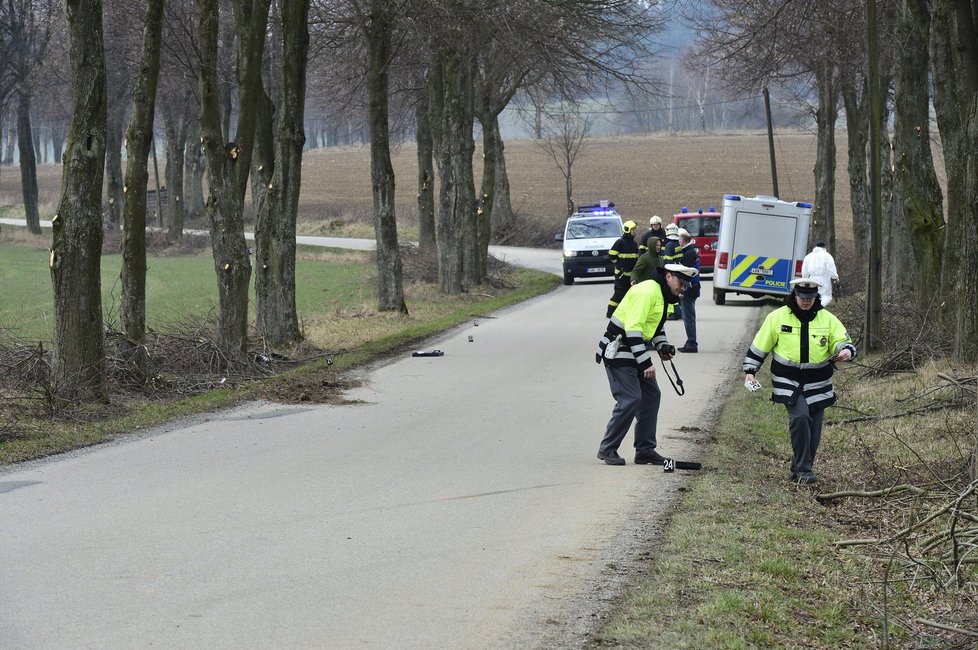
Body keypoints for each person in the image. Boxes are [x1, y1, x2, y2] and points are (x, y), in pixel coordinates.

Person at [743, 278, 856, 484]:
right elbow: (760, 346)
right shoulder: (776, 317)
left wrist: (846, 350)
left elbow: (841, 340)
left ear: (816, 298)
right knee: (801, 417)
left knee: (814, 429)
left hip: (819, 382)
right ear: (795, 295)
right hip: (788, 379)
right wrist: (750, 371)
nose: (806, 301)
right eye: (802, 297)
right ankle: (804, 470)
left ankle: (799, 468)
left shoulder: (827, 319)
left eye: (810, 298)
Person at [595, 263, 699, 465]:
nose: (683, 289)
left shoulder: (663, 294)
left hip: (633, 349)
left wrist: (663, 346)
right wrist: (646, 364)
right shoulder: (648, 291)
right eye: (681, 283)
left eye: (686, 286)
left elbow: (654, 327)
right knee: (631, 398)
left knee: (651, 395)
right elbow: (633, 328)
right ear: (669, 276)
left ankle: (645, 450)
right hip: (618, 349)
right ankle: (607, 449)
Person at [606, 220, 640, 318]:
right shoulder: (620, 242)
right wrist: (619, 265)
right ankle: (610, 313)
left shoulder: (634, 243)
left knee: (630, 295)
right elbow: (611, 255)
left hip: (631, 275)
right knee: (618, 295)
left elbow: (636, 257)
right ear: (627, 230)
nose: (634, 231)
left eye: (634, 229)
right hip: (621, 274)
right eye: (633, 229)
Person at [676, 229, 701, 353]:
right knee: (689, 317)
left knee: (688, 318)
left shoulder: (688, 254)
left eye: (679, 241)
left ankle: (692, 343)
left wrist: (681, 290)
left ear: (682, 241)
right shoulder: (691, 252)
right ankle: (690, 341)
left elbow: (685, 275)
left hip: (689, 290)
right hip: (693, 289)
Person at [801, 241, 839, 305]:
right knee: (826, 296)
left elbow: (804, 270)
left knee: (812, 295)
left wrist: (805, 279)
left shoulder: (808, 256)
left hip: (811, 279)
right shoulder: (827, 256)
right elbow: (831, 268)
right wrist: (835, 277)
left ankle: (813, 309)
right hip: (824, 279)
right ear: (824, 247)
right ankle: (819, 308)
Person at [661, 223, 683, 319]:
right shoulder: (679, 243)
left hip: (672, 273)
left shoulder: (669, 245)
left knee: (672, 293)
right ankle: (682, 313)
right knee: (680, 292)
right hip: (680, 271)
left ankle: (674, 313)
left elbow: (667, 261)